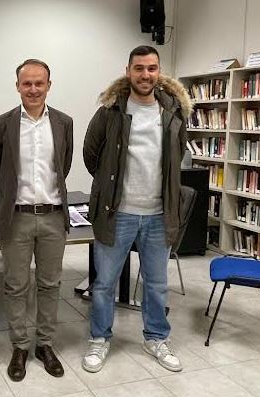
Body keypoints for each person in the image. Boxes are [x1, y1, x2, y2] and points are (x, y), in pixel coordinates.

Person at [81, 45, 192, 374]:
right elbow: (91, 154)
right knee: (104, 284)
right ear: (128, 71)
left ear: (159, 72)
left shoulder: (173, 111)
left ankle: (156, 337)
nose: (146, 75)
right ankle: (100, 338)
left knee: (157, 284)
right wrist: (109, 186)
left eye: (151, 68)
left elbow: (177, 155)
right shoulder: (110, 111)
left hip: (159, 214)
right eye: (139, 68)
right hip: (117, 213)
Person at [0, 59, 73, 382]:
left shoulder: (64, 122)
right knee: (16, 286)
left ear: (49, 85)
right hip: (16, 218)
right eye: (27, 83)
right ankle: (20, 346)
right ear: (18, 86)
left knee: (50, 284)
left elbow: (63, 165)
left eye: (39, 83)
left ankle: (44, 345)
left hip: (53, 217)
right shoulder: (2, 124)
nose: (33, 89)